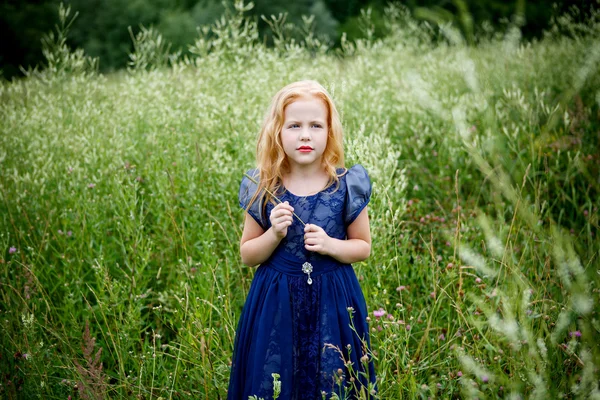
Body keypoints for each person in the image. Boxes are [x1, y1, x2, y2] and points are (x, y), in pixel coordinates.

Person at [228, 80, 376, 400]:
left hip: (333, 299)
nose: (305, 134)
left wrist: (330, 245)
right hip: (276, 302)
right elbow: (248, 254)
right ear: (277, 132)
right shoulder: (263, 186)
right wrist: (273, 234)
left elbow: (363, 246)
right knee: (276, 379)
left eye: (315, 125)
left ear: (329, 132)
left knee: (333, 378)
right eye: (294, 125)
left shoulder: (347, 184)